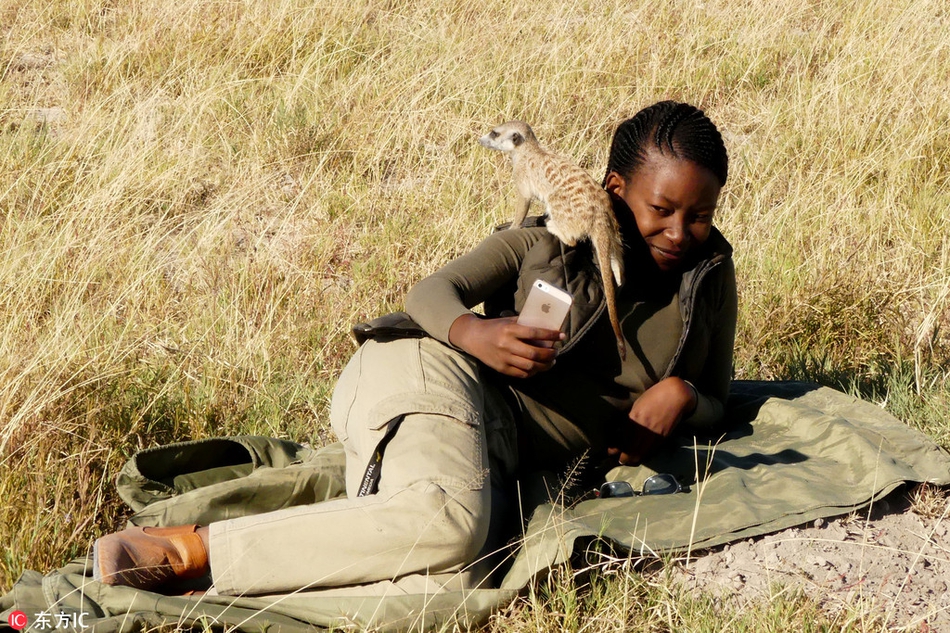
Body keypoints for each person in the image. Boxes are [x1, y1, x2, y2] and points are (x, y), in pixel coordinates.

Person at [92, 100, 737, 597]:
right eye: (661, 208)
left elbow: (720, 396)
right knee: (449, 526)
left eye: (701, 214)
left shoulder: (708, 279)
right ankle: (184, 552)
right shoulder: (544, 244)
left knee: (447, 585)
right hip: (433, 371)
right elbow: (433, 292)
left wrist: (679, 398)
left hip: (495, 445)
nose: (681, 231)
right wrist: (475, 334)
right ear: (615, 187)